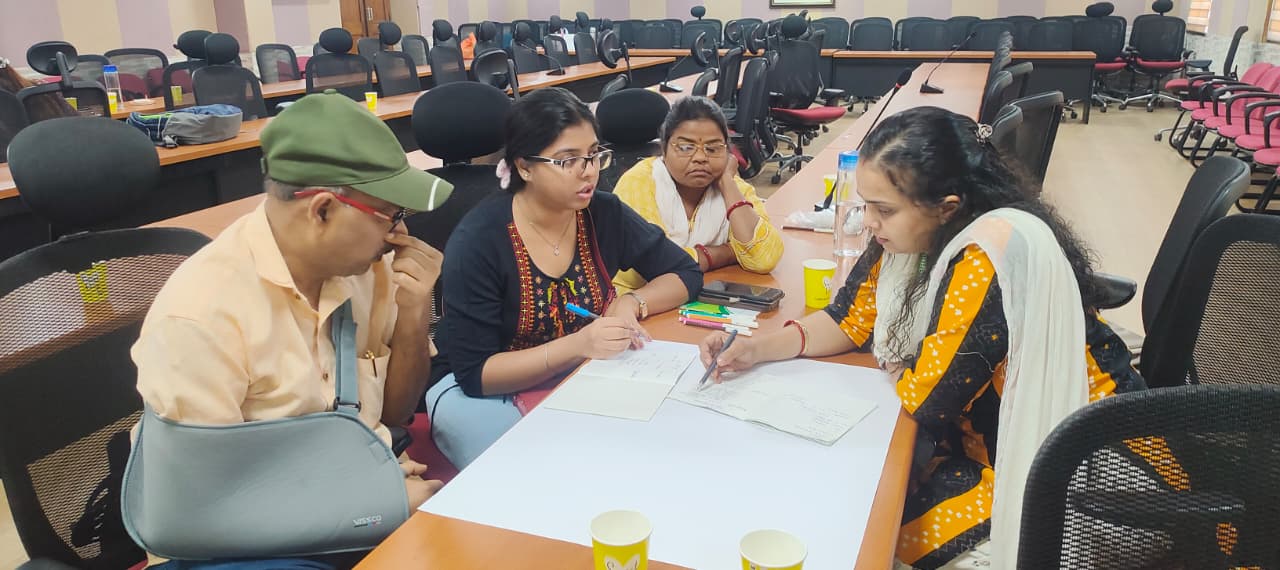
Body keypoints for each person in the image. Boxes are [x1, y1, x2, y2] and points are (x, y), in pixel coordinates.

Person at [696, 107, 1144, 569]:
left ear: (946, 207)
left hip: (1088, 475)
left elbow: (928, 398)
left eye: (884, 210)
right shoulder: (910, 236)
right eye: (867, 204)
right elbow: (849, 320)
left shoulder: (985, 257)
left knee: (867, 540)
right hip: (990, 442)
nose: (869, 222)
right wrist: (756, 348)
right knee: (850, 506)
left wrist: (895, 366)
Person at [132, 91, 454, 567]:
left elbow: (394, 414)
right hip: (238, 542)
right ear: (322, 210)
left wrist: (413, 315)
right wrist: (369, 510)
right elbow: (203, 509)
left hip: (359, 490)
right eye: (391, 214)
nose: (398, 235)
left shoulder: (369, 270)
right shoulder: (200, 316)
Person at [428, 88, 701, 469]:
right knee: (544, 471)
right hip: (484, 392)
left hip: (580, 369)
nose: (588, 171)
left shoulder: (602, 213)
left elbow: (685, 273)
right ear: (524, 167)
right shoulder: (479, 240)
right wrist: (578, 345)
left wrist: (631, 303)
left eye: (593, 155)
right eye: (567, 160)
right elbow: (476, 374)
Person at [612, 97, 783, 292]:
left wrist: (727, 182)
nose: (701, 158)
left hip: (695, 296)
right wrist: (726, 253)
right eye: (686, 148)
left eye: (713, 148)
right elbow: (656, 266)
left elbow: (765, 259)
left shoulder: (733, 186)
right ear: (664, 149)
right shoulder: (640, 181)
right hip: (631, 300)